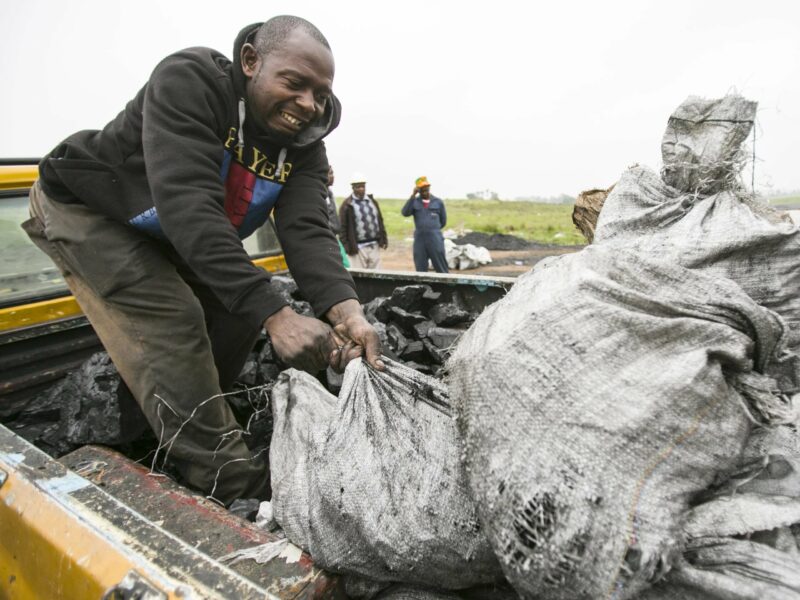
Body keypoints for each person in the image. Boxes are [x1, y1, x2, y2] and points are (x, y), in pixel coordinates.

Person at [22, 16, 383, 506]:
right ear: (251, 61)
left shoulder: (305, 145)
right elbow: (189, 205)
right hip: (91, 210)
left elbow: (306, 229)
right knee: (173, 316)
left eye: (319, 93)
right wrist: (277, 315)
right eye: (294, 83)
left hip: (171, 233)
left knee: (237, 314)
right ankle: (231, 483)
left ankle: (176, 427)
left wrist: (347, 311)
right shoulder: (190, 82)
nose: (307, 104)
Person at [339, 173, 388, 269]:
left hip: (374, 245)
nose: (361, 189)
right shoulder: (347, 205)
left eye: (363, 186)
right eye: (358, 187)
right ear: (353, 188)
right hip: (358, 248)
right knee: (360, 275)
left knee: (377, 275)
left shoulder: (372, 201)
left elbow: (380, 221)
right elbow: (343, 228)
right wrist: (347, 247)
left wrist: (384, 238)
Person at [401, 176, 449, 273]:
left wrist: (432, 230)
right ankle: (422, 287)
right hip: (420, 240)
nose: (425, 192)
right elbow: (405, 213)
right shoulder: (415, 202)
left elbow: (443, 222)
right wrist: (413, 196)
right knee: (420, 268)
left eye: (426, 189)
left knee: (441, 267)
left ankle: (446, 287)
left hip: (435, 239)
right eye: (422, 190)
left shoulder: (438, 202)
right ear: (418, 190)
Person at [326, 165, 350, 267]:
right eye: (330, 173)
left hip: (334, 237)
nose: (333, 176)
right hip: (328, 238)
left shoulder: (329, 193)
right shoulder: (320, 194)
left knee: (345, 265)